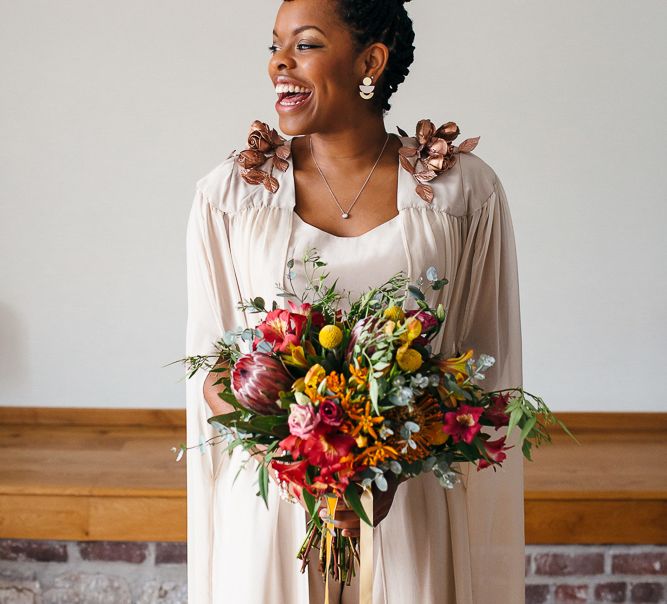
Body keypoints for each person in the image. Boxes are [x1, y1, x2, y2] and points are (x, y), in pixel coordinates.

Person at [185, 0, 525, 602]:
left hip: (412, 510)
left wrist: (386, 463)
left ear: (370, 61)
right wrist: (306, 464)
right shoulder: (231, 195)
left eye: (306, 44)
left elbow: (483, 371)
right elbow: (214, 368)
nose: (279, 65)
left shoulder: (461, 193)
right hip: (275, 515)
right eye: (274, 46)